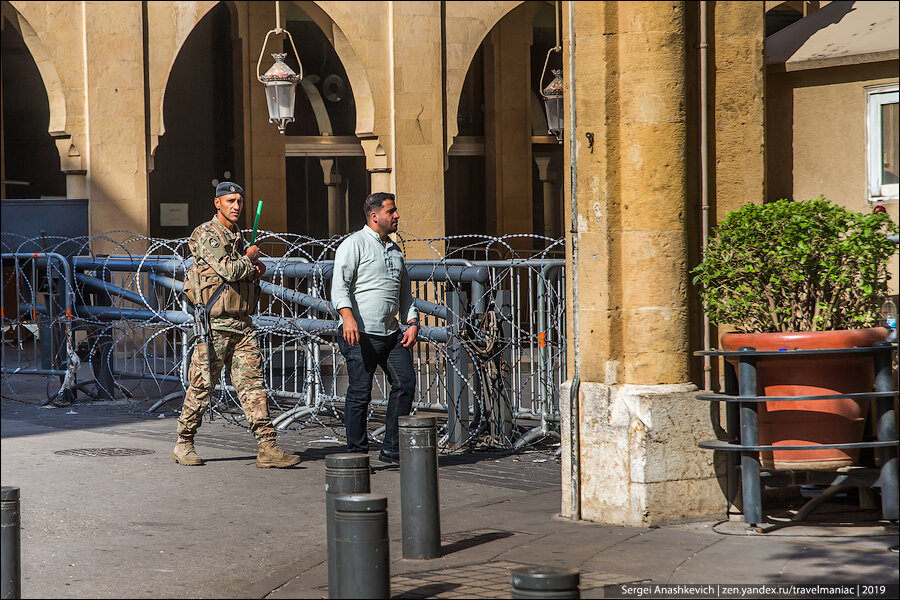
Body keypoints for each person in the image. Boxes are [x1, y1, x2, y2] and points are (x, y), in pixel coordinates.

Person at [175, 181, 300, 468]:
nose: (236, 206)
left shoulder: (237, 235)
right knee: (202, 384)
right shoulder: (208, 233)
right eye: (230, 201)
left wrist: (255, 271)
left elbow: (238, 272)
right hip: (216, 324)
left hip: (242, 323)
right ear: (217, 203)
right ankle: (184, 441)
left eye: (240, 202)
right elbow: (228, 270)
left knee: (253, 384)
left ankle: (267, 447)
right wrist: (249, 259)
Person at [331, 192, 419, 463]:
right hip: (360, 333)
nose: (397, 216)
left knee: (405, 383)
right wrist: (347, 317)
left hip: (391, 333)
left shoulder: (394, 249)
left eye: (395, 210)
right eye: (391, 211)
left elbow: (404, 293)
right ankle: (357, 455)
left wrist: (412, 321)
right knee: (360, 392)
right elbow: (339, 286)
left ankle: (392, 449)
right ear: (375, 216)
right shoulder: (353, 244)